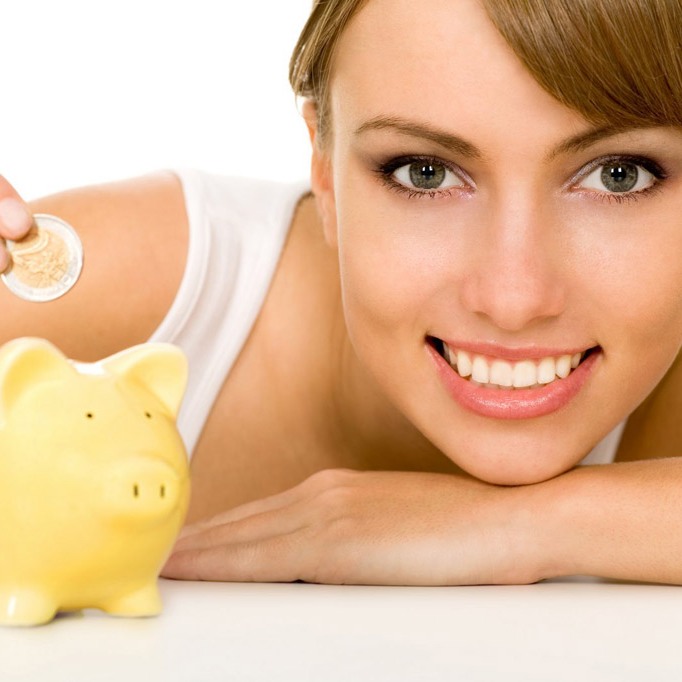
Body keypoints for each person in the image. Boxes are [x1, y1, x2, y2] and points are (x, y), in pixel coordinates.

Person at [2, 0, 682, 586]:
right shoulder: (156, 287)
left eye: (619, 175)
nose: (514, 299)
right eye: (424, 173)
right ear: (323, 172)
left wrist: (524, 523)